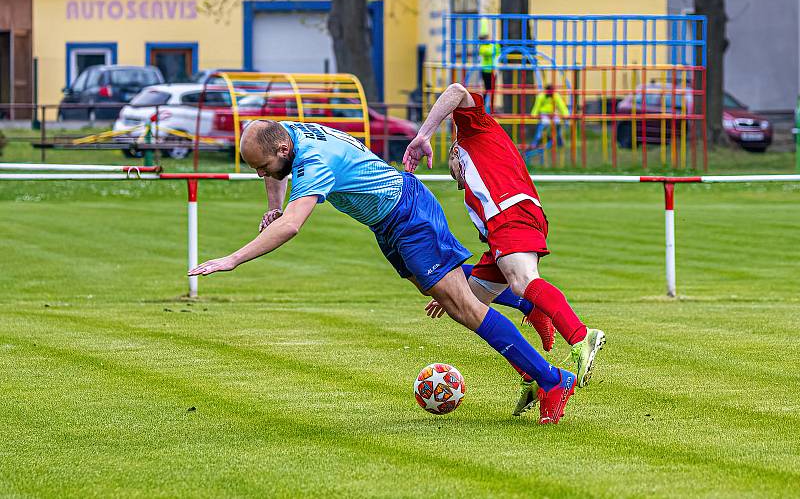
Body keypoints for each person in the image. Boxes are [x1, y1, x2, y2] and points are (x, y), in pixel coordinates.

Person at [188, 119, 578, 424]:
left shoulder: (314, 160)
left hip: (407, 214)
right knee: (443, 291)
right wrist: (273, 201)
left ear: (283, 148)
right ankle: (528, 306)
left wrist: (233, 259)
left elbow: (291, 225)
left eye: (264, 167)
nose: (263, 175)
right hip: (389, 220)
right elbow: (278, 177)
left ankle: (551, 380)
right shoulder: (284, 136)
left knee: (462, 305)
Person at [403, 83, 605, 416]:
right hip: (506, 226)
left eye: (451, 168)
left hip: (512, 214)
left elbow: (456, 91)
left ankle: (581, 335)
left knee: (523, 281)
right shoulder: (473, 192)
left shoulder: (474, 132)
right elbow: (479, 268)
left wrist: (424, 134)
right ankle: (538, 375)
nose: (454, 176)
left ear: (454, 152)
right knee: (467, 305)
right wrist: (448, 288)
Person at [531, 84, 569, 148]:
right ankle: (535, 143)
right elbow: (536, 106)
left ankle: (559, 143)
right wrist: (533, 114)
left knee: (558, 124)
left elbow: (561, 105)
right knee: (542, 126)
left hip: (553, 113)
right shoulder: (541, 96)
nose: (551, 93)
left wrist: (566, 114)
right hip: (544, 114)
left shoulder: (556, 95)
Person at [478, 33, 500, 108]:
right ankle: (484, 105)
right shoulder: (483, 47)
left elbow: (497, 51)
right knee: (487, 89)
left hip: (493, 70)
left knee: (492, 89)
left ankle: (491, 107)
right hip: (485, 70)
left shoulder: (492, 45)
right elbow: (489, 52)